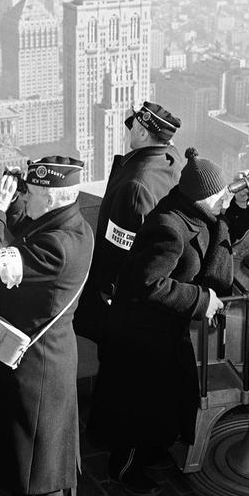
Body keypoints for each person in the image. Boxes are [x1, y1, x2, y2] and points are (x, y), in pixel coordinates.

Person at [87, 148, 249, 496]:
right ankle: (126, 467)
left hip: (163, 330)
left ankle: (152, 448)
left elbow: (222, 237)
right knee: (139, 405)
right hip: (140, 335)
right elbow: (147, 284)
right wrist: (201, 300)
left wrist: (241, 208)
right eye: (221, 196)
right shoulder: (168, 227)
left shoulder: (197, 212)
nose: (225, 201)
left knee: (166, 397)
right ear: (202, 197)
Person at [0, 156, 94, 496]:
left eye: (33, 193)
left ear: (51, 199)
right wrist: (15, 201)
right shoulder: (71, 225)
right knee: (53, 467)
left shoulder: (57, 246)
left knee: (36, 476)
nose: (27, 198)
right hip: (50, 363)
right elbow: (30, 228)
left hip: (35, 376)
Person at [74, 101, 183, 342]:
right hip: (157, 293)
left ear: (143, 133)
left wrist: (108, 290)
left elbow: (119, 249)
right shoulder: (170, 159)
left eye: (132, 125)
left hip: (127, 305)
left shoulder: (135, 186)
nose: (128, 129)